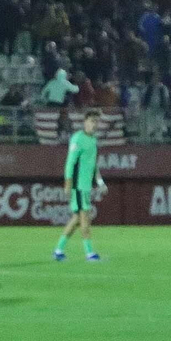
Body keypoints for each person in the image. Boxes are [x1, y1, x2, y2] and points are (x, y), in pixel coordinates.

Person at [53, 109, 104, 262]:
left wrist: (100, 182)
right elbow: (70, 163)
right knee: (84, 219)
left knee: (76, 219)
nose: (95, 124)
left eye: (97, 122)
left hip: (86, 186)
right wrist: (68, 184)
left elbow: (93, 165)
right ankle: (89, 253)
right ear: (85, 122)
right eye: (92, 121)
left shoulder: (93, 140)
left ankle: (58, 250)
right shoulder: (77, 139)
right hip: (78, 186)